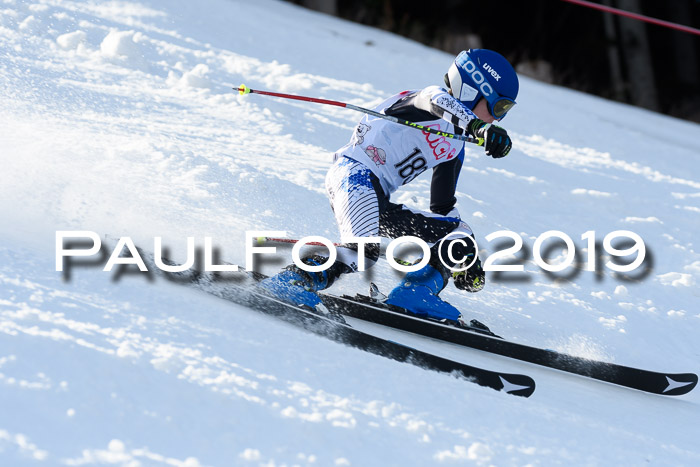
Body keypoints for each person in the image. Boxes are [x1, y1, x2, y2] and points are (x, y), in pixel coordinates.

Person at [259, 49, 519, 326]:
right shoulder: (427, 99)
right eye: (498, 107)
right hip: (354, 176)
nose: (498, 119)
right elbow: (434, 100)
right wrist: (479, 126)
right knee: (363, 252)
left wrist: (465, 256)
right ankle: (293, 281)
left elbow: (442, 207)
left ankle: (414, 294)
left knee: (459, 232)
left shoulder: (455, 146)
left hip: (378, 199)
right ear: (473, 90)